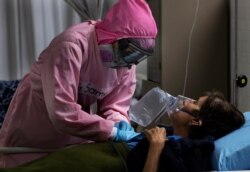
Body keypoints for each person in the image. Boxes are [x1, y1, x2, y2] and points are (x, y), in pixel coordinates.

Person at [0, 0, 157, 168]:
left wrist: (119, 122)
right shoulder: (71, 45)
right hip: (31, 133)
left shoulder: (126, 60)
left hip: (73, 139)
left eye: (137, 57)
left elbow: (116, 105)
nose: (129, 64)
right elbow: (62, 112)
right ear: (113, 38)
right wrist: (110, 131)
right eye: (129, 53)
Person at [126, 91, 245, 172]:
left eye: (194, 103)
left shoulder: (189, 159)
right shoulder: (171, 134)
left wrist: (155, 148)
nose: (185, 101)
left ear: (196, 121)